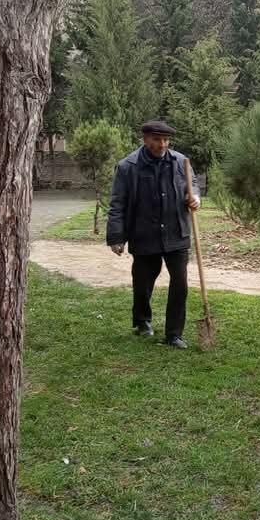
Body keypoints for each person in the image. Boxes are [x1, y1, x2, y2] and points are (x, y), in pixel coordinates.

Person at [106, 121, 200, 350]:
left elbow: (193, 185)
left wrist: (195, 198)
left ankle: (174, 334)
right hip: (144, 233)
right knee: (143, 282)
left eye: (166, 140)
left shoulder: (181, 162)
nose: (162, 144)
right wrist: (116, 237)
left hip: (176, 232)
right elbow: (117, 203)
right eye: (157, 140)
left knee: (180, 283)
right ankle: (142, 320)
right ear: (145, 139)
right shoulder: (128, 166)